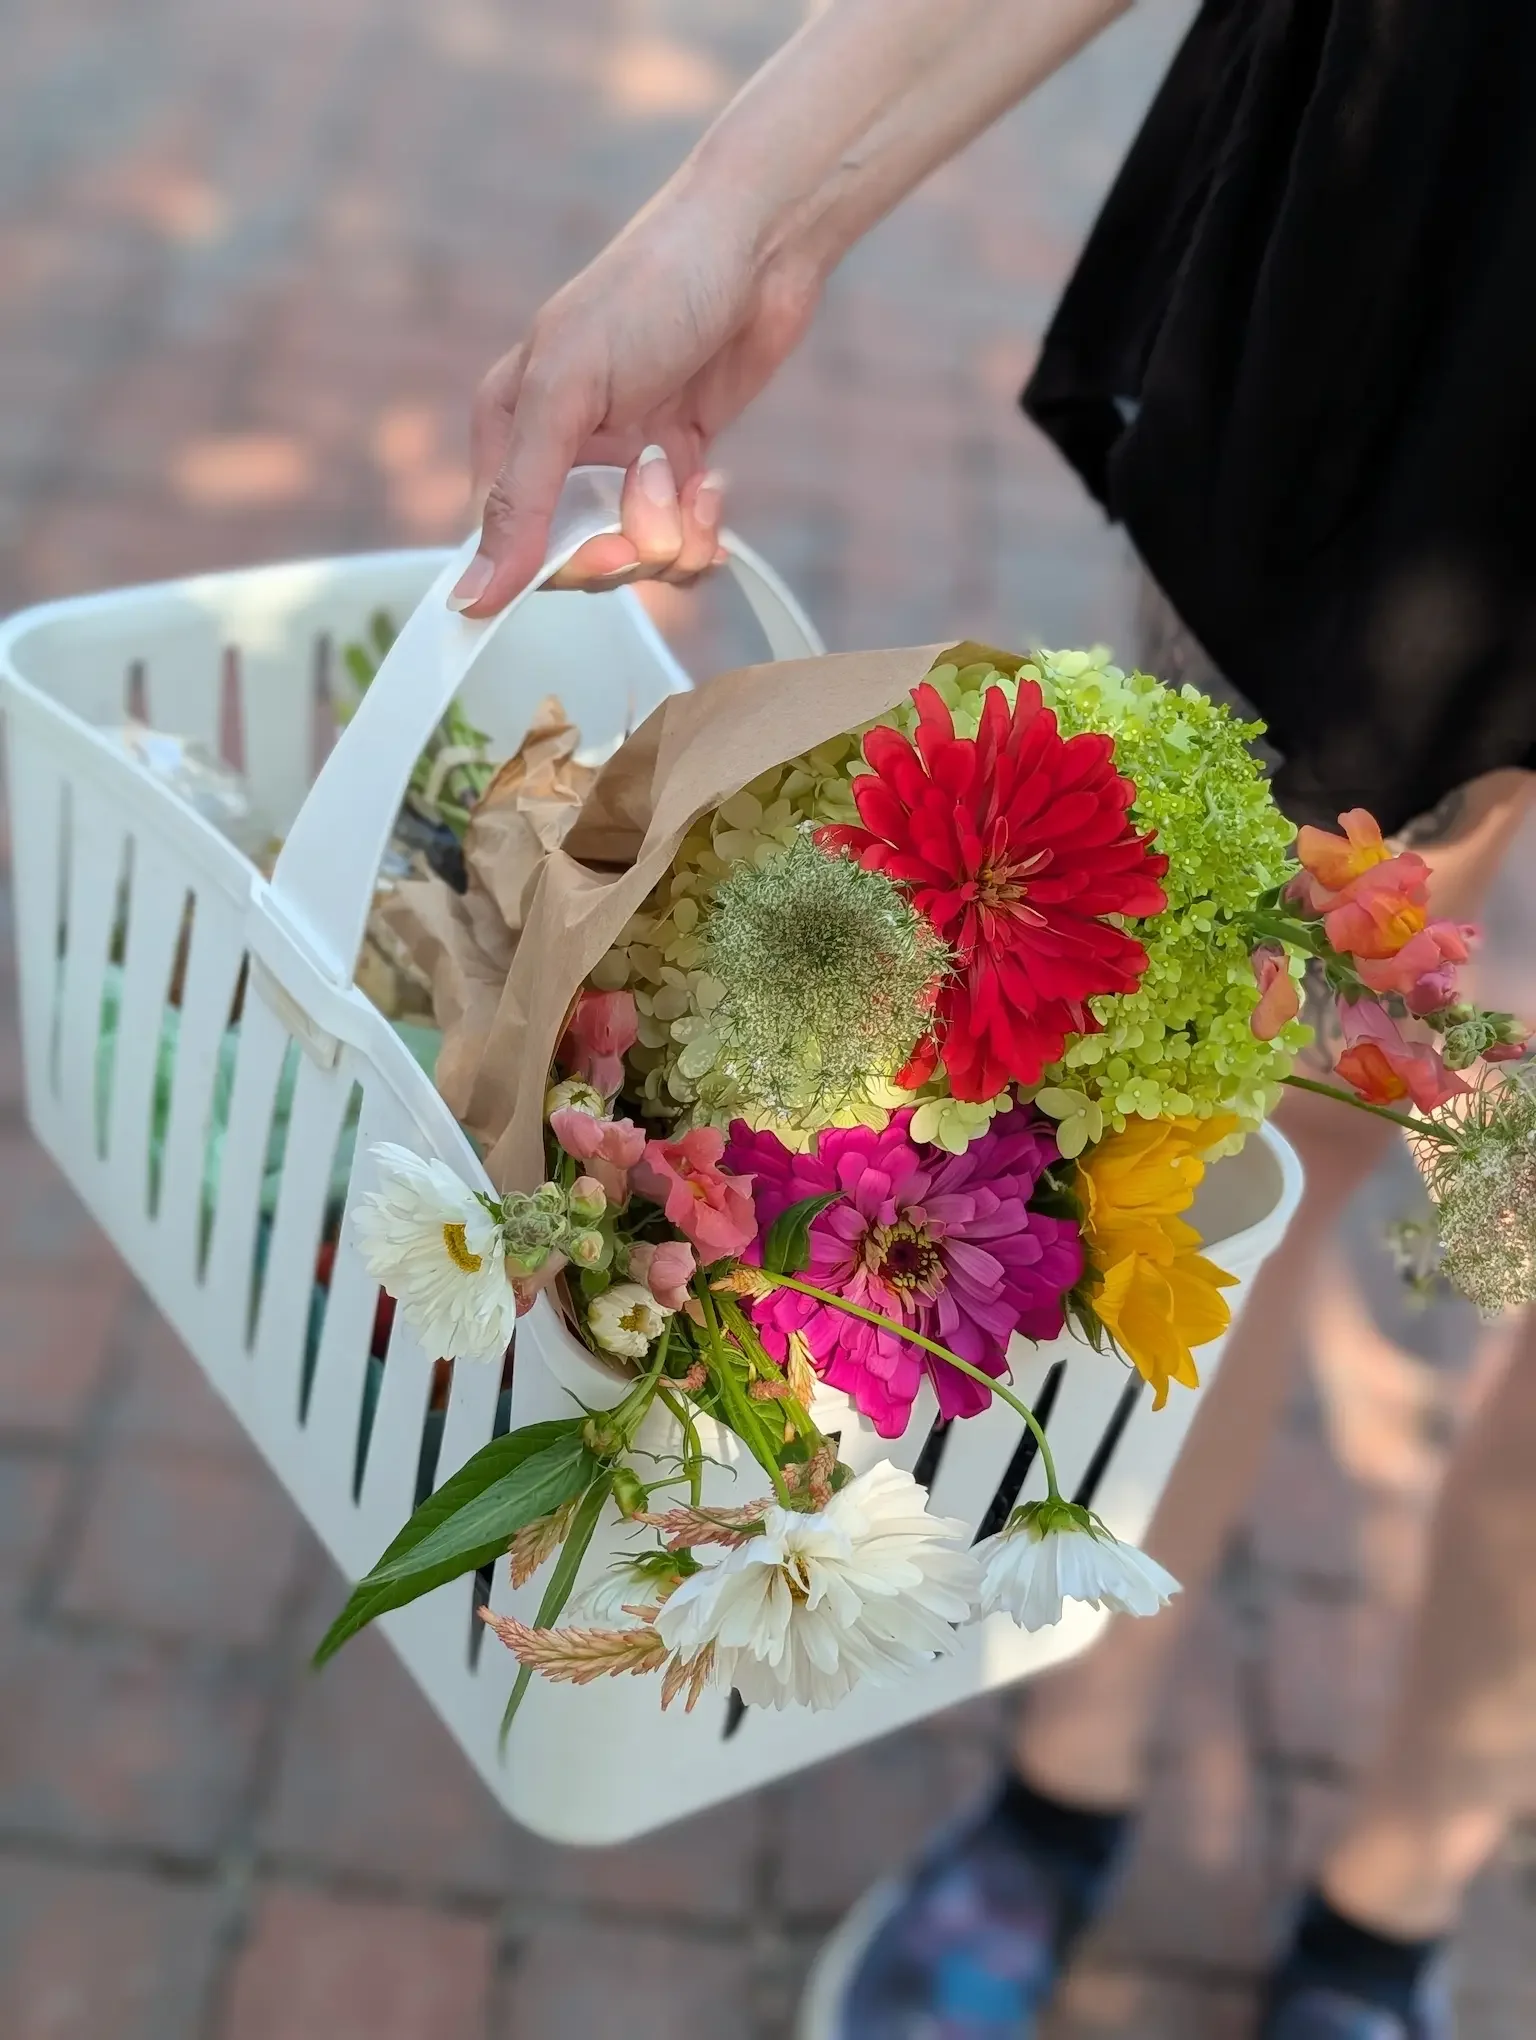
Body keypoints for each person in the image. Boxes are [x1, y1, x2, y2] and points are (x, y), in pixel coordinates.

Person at [452, 4, 1536, 2034]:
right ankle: (1066, 1782)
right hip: (1432, 250)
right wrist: (740, 215)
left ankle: (1391, 1916)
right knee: (1228, 1122)